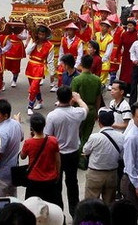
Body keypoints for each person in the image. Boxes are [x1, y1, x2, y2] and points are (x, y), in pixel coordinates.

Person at [44, 87, 88, 217]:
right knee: (72, 182)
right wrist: (79, 99)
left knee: (57, 183)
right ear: (70, 99)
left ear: (57, 98)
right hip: (73, 153)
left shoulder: (52, 116)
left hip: (57, 154)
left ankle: (59, 213)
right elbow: (85, 109)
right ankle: (75, 212)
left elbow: (48, 136)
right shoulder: (77, 113)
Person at [20, 112, 63, 207]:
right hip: (50, 179)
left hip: (34, 180)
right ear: (44, 125)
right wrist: (58, 174)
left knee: (32, 207)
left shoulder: (29, 142)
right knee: (51, 205)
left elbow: (22, 156)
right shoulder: (53, 140)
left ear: (32, 128)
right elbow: (58, 160)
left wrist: (29, 137)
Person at [83, 108, 124, 204]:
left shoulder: (95, 137)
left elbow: (86, 150)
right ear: (113, 121)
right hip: (112, 173)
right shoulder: (121, 137)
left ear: (99, 122)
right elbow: (121, 156)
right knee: (109, 203)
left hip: (95, 173)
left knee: (91, 203)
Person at [0, 99, 23, 197]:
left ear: (5, 115)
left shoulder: (1, 133)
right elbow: (21, 138)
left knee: (2, 201)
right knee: (13, 198)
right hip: (13, 170)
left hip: (3, 174)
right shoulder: (16, 124)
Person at [71, 53, 104, 148]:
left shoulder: (77, 80)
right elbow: (98, 98)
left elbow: (73, 97)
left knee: (77, 136)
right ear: (91, 65)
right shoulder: (97, 80)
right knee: (87, 136)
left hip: (78, 110)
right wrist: (96, 112)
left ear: (81, 64)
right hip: (92, 110)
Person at [24, 25, 54, 115]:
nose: (41, 36)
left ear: (46, 35)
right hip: (31, 66)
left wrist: (52, 72)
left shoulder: (50, 45)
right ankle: (40, 101)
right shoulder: (33, 41)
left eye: (43, 34)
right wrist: (34, 43)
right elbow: (27, 52)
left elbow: (50, 60)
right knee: (35, 87)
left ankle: (30, 106)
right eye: (40, 34)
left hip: (40, 67)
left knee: (33, 87)